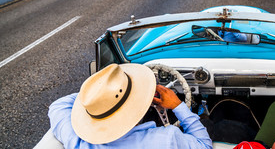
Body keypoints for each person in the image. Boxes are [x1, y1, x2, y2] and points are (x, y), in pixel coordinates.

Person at [48, 63, 212, 149]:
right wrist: (177, 105)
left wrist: (98, 95)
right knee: (215, 123)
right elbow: (205, 145)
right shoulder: (168, 139)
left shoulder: (80, 144)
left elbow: (58, 106)